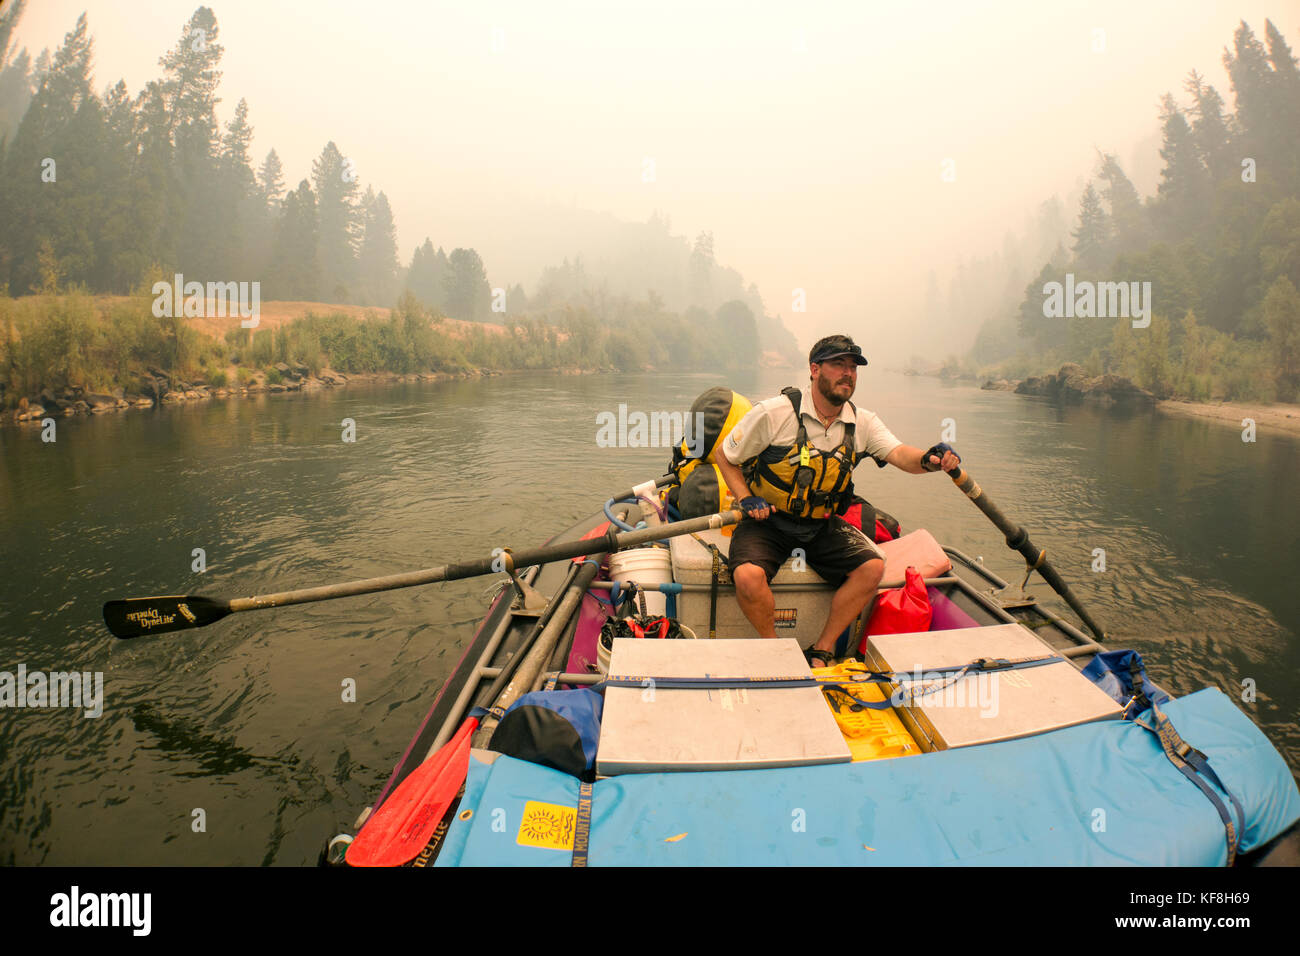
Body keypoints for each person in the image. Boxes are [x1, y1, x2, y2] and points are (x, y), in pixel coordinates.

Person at [713, 333, 961, 666]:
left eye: (853, 367)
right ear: (814, 369)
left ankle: (823, 648)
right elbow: (724, 454)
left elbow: (901, 454)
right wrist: (745, 498)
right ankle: (775, 649)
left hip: (820, 525)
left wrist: (931, 459)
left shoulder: (863, 423)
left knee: (872, 566)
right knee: (746, 576)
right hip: (767, 520)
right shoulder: (773, 414)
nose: (848, 373)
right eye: (838, 365)